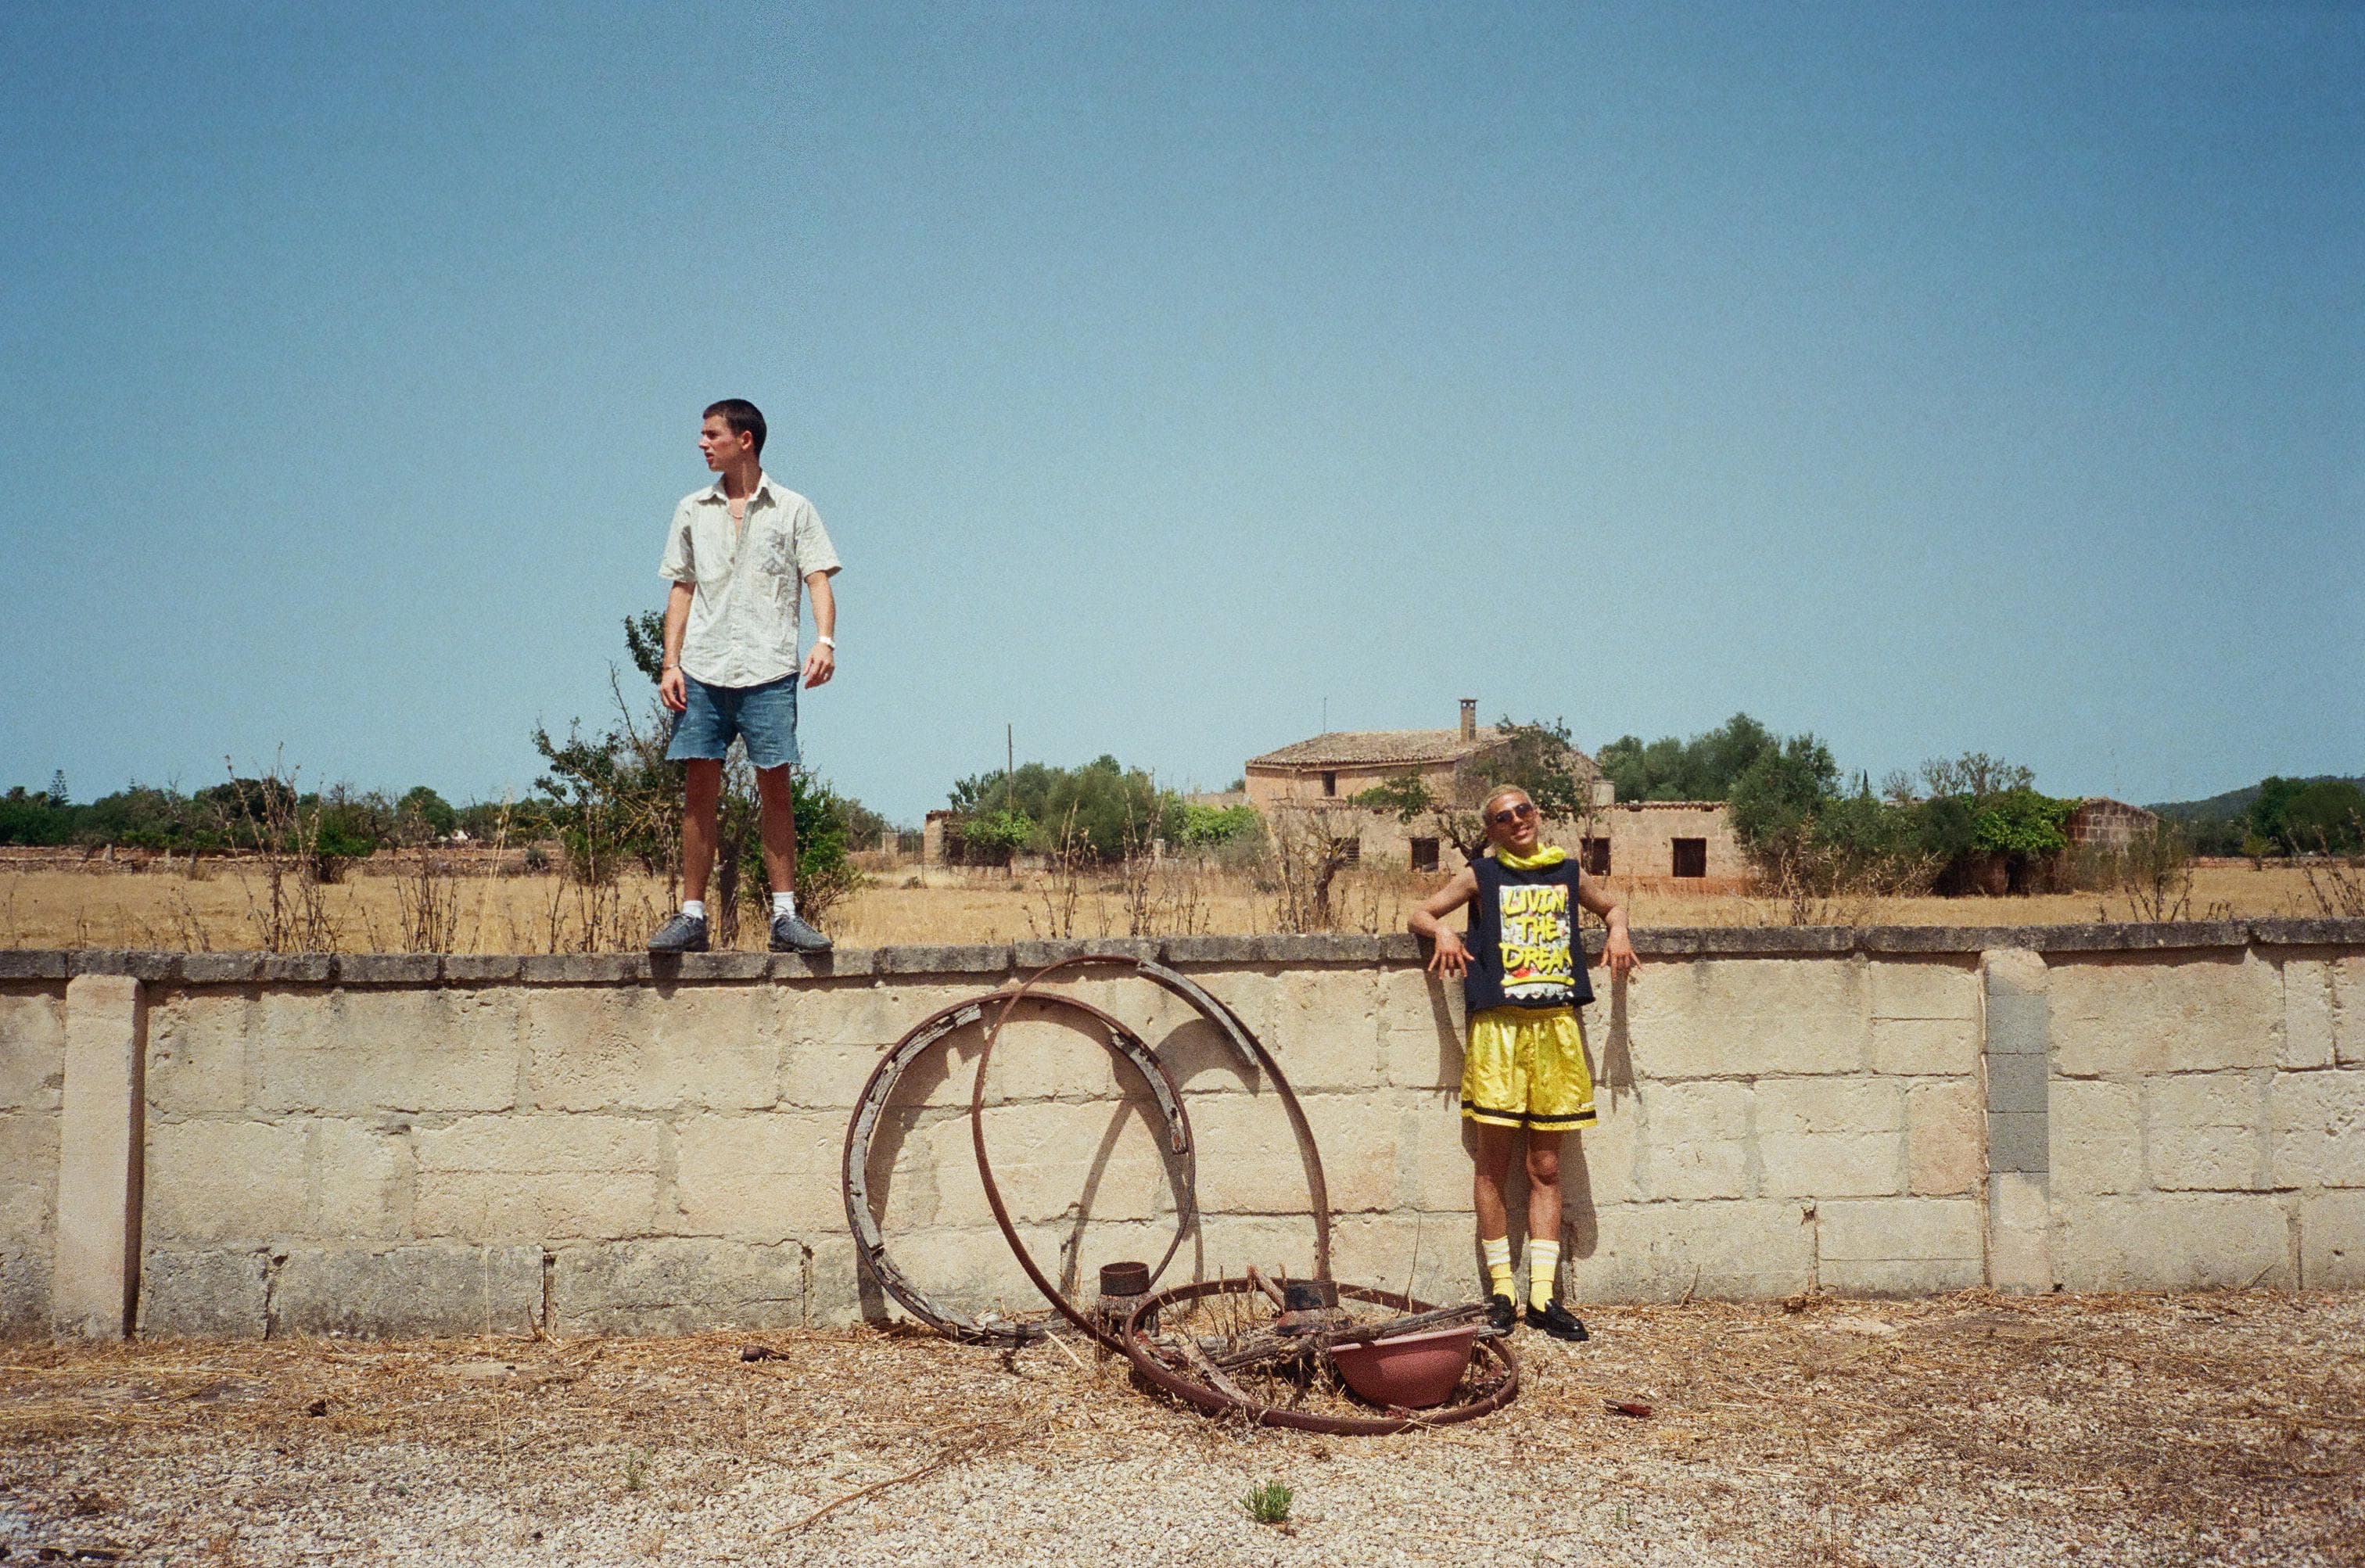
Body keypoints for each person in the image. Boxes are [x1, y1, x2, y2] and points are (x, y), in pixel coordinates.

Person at [1408, 785, 1639, 1340]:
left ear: (1538, 814)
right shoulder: (1480, 874)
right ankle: (1501, 1295)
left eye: (1524, 810)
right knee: (1491, 1165)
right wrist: (1442, 927)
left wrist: (1619, 927)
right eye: (1502, 816)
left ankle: (1542, 1296)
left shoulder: (1565, 869)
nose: (1517, 821)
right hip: (1499, 1030)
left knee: (1546, 1168)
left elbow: (1611, 904)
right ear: (1490, 829)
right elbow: (1420, 911)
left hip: (1556, 1028)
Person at [645, 399, 840, 955]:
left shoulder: (794, 509)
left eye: (712, 434)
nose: (702, 444)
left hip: (770, 667)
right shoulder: (691, 509)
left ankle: (784, 915)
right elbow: (680, 588)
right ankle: (691, 916)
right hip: (704, 669)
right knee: (698, 791)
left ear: (744, 440)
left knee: (775, 786)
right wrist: (670, 662)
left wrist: (825, 642)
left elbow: (818, 580)